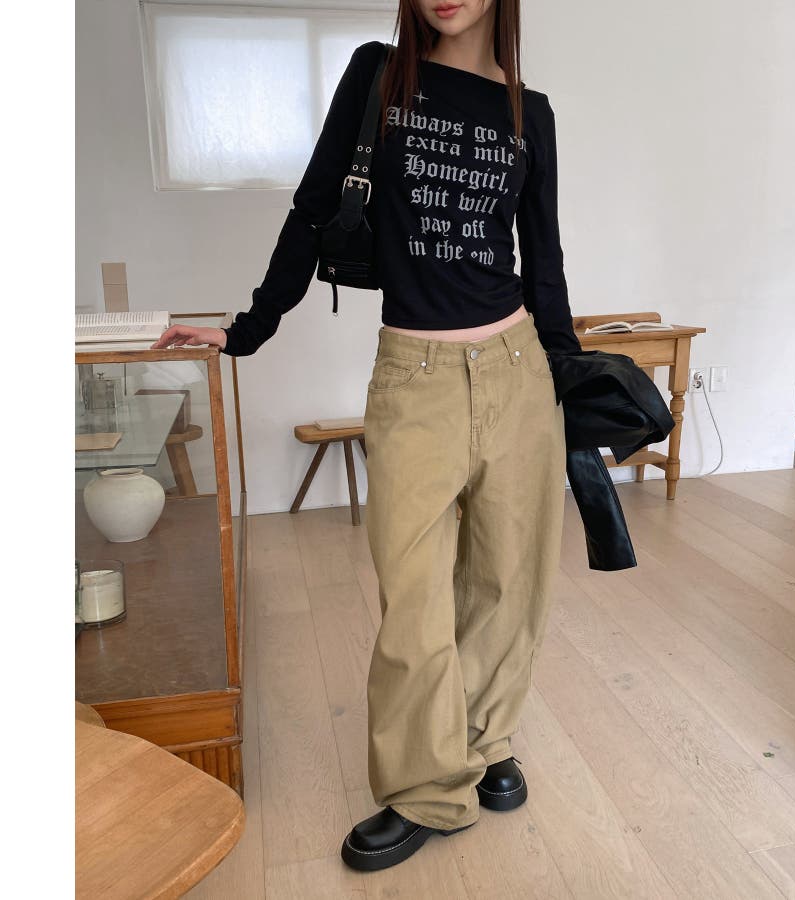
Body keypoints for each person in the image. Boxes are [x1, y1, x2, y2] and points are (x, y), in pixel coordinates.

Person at [152, 0, 581, 872]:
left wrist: (571, 378)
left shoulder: (528, 113)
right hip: (414, 378)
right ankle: (427, 789)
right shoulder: (377, 76)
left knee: (508, 581)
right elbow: (314, 209)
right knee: (413, 596)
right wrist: (247, 327)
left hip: (517, 370)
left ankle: (484, 742)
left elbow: (544, 259)